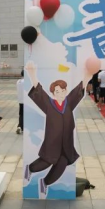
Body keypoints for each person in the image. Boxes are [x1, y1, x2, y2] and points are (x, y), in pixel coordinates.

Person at [23, 61, 91, 198]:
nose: (61, 93)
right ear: (53, 93)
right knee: (46, 162)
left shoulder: (68, 102)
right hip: (52, 143)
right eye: (57, 91)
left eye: (63, 90)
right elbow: (39, 92)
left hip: (66, 144)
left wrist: (87, 76)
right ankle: (29, 169)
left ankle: (45, 183)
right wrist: (32, 75)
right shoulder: (49, 104)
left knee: (62, 164)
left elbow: (78, 91)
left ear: (66, 91)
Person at [16, 70, 25, 134]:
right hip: (26, 101)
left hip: (20, 100)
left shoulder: (18, 81)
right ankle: (22, 126)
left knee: (21, 114)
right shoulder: (27, 82)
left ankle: (20, 126)